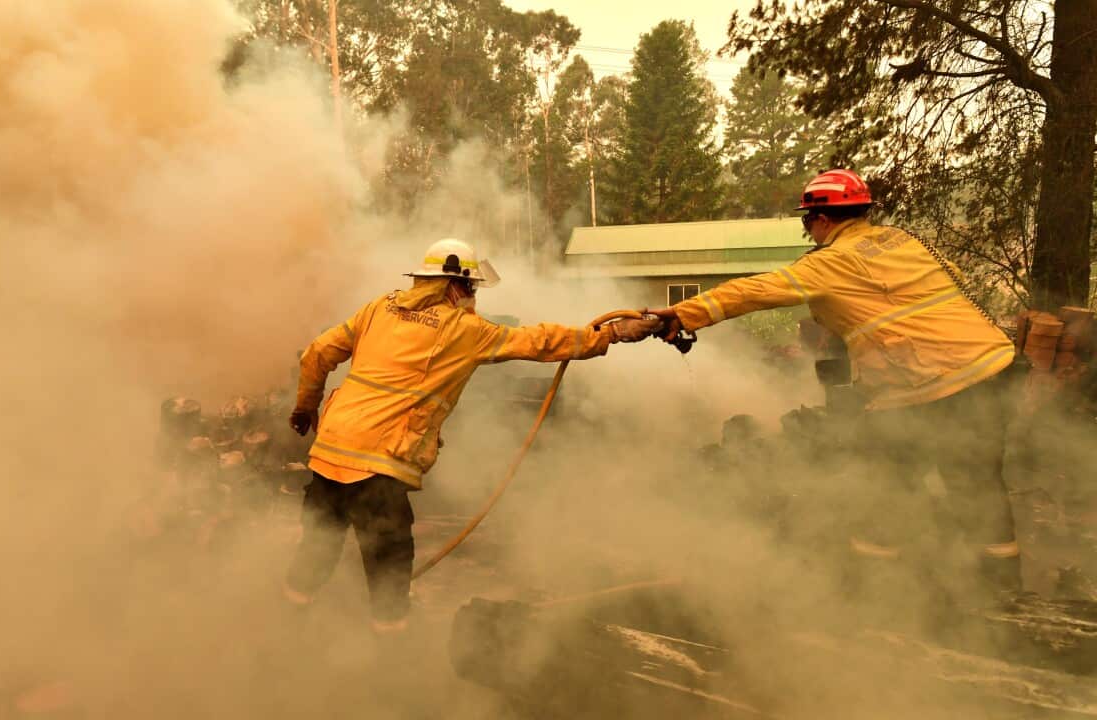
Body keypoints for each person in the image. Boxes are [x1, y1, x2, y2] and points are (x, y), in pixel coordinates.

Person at [650, 169, 1021, 603]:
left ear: (822, 218)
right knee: (979, 485)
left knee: (884, 486)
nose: (808, 231)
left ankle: (877, 593)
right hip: (990, 370)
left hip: (927, 384)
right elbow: (942, 278)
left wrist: (683, 314)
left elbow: (758, 290)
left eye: (807, 221)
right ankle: (1004, 594)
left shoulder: (832, 260)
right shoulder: (903, 242)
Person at [284, 238, 661, 633]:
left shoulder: (379, 308)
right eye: (471, 287)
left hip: (329, 453)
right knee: (389, 565)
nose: (473, 295)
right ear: (454, 285)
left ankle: (290, 623)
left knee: (316, 549)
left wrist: (305, 406)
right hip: (378, 465)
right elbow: (538, 341)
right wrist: (611, 334)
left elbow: (316, 354)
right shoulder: (464, 329)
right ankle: (390, 652)